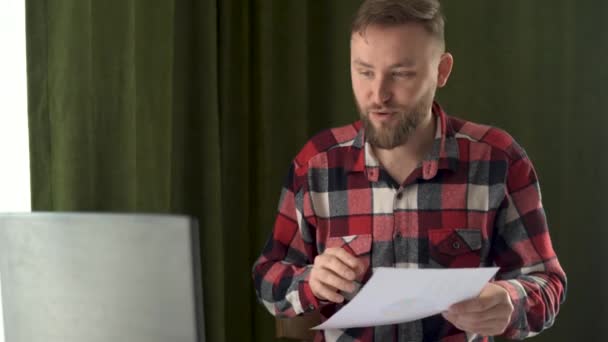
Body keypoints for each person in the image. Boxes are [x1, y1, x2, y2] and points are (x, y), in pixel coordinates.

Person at [252, 0, 567, 341]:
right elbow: (268, 276)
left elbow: (547, 282)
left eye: (400, 74)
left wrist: (510, 302)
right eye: (364, 71)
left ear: (441, 71)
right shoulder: (316, 163)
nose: (378, 95)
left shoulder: (498, 160)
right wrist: (309, 282)